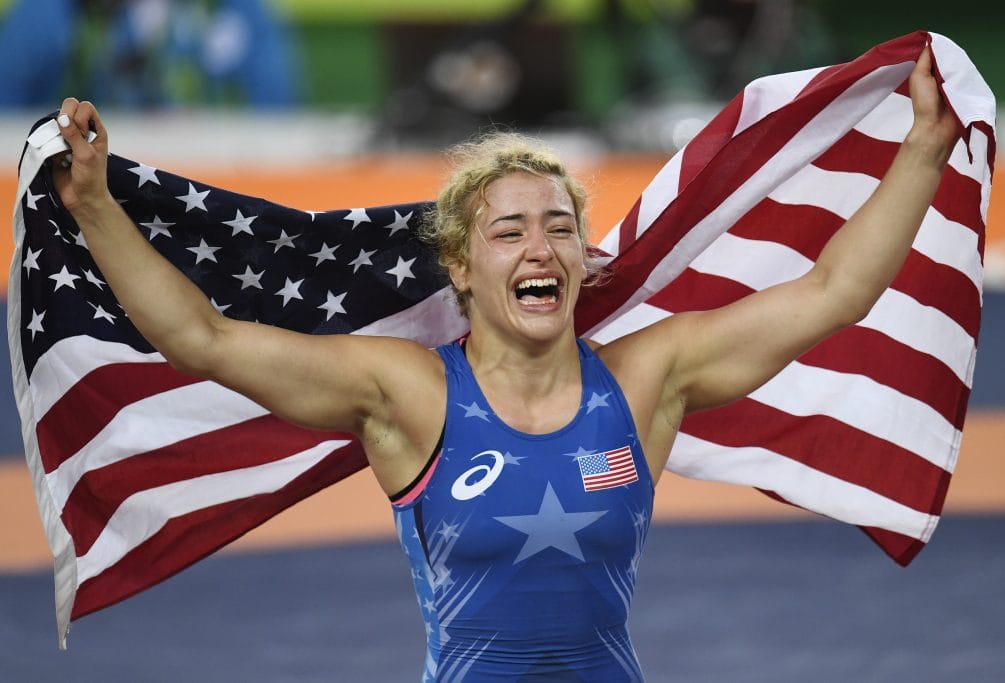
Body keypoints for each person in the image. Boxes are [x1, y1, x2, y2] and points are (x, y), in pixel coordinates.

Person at [51, 49, 956, 681]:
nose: (541, 247)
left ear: (583, 258)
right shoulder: (404, 391)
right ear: (461, 267)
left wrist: (923, 145)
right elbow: (203, 337)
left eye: (560, 226)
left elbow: (834, 292)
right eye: (510, 230)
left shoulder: (647, 379)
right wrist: (93, 206)